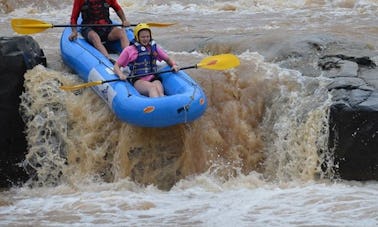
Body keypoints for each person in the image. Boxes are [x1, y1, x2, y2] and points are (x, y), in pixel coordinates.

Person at [113, 23, 179, 98]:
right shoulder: (129, 50)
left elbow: (167, 59)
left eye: (147, 36)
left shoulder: (154, 48)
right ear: (137, 37)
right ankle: (157, 105)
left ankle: (163, 104)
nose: (146, 39)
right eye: (143, 37)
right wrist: (120, 74)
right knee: (152, 88)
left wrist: (173, 65)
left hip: (153, 77)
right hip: (138, 80)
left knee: (160, 92)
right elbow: (116, 66)